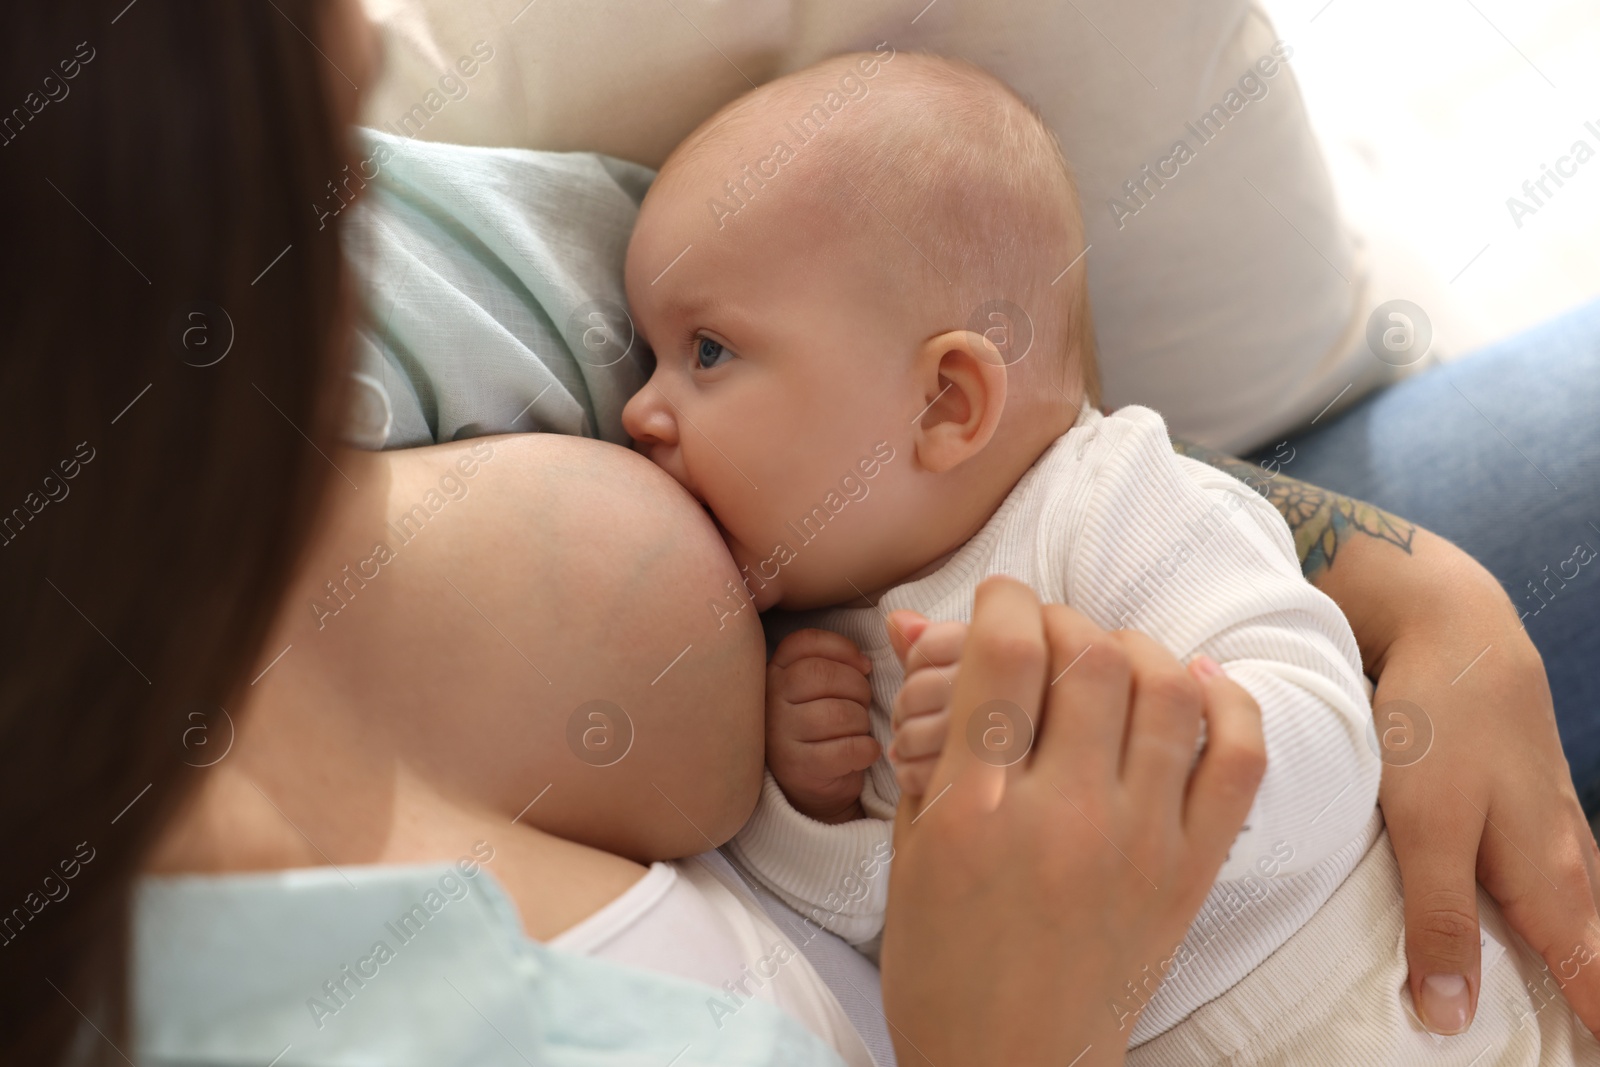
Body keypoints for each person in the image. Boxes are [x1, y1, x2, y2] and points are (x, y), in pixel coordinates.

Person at [1, 2, 1597, 1065]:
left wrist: (1420, 594)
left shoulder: (360, 277)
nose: (638, 404)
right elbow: (889, 918)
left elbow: (1064, 455)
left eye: (687, 358)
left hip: (1407, 934)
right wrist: (851, 813)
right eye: (311, 112)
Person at [615, 52, 1598, 1061]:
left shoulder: (1107, 498)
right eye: (647, 354)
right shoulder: (816, 655)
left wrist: (1145, 741)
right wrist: (810, 814)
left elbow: (1329, 729)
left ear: (946, 401)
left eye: (707, 352)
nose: (638, 409)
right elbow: (896, 944)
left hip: (1433, 1007)